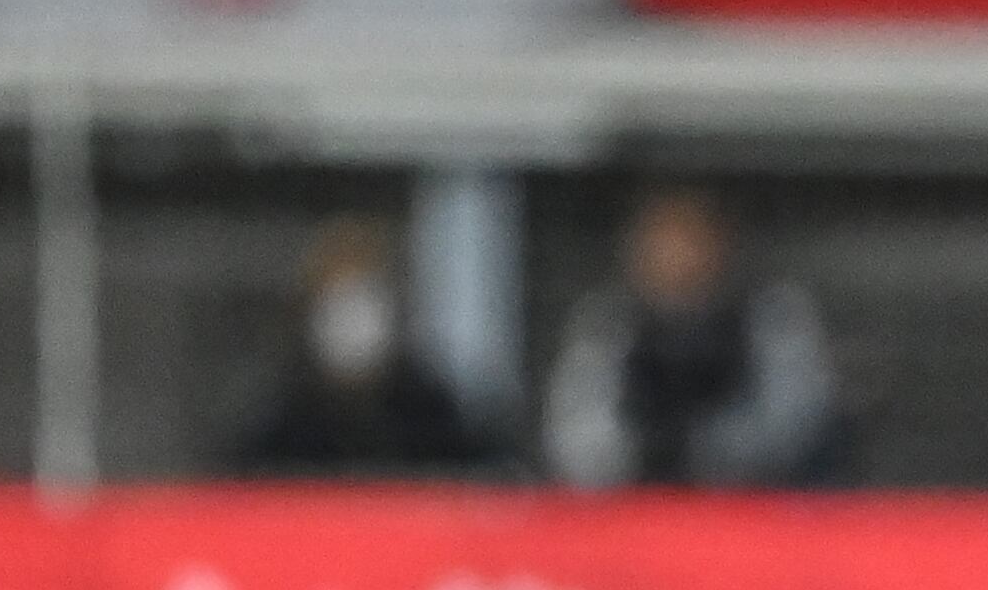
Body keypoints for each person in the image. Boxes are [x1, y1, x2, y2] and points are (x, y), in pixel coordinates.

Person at [542, 190, 846, 489]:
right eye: (663, 247)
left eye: (691, 243)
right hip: (632, 510)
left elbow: (796, 423)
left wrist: (705, 450)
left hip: (758, 508)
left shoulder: (771, 315)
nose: (679, 260)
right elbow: (577, 436)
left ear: (720, 246)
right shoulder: (609, 324)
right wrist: (646, 451)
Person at [229, 225, 506, 478]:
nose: (352, 319)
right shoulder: (282, 428)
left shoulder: (434, 418)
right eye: (338, 302)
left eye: (364, 297)